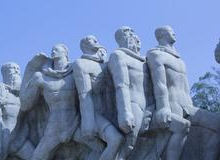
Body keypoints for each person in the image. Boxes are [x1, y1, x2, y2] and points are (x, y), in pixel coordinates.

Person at [147, 25, 220, 160]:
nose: (174, 33)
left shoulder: (180, 61)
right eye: (170, 31)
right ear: (161, 34)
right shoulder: (155, 54)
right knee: (182, 127)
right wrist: (163, 107)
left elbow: (185, 87)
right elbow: (160, 83)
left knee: (217, 123)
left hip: (188, 106)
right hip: (172, 104)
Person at [19, 44, 80, 160]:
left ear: (65, 53)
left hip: (75, 121)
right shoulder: (41, 77)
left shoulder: (75, 70)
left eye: (57, 49)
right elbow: (26, 104)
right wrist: (30, 70)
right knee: (37, 157)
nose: (53, 51)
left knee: (98, 146)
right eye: (52, 49)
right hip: (54, 125)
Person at [73, 35, 124, 160]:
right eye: (91, 39)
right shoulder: (81, 64)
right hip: (94, 115)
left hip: (109, 113)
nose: (96, 40)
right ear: (84, 45)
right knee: (116, 139)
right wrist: (88, 122)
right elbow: (84, 94)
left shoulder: (103, 65)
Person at [108, 26, 155, 160]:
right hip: (133, 103)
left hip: (151, 105)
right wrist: (125, 111)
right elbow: (121, 85)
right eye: (126, 32)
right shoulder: (118, 55)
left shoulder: (145, 60)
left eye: (132, 31)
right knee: (129, 144)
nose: (132, 34)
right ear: (119, 38)